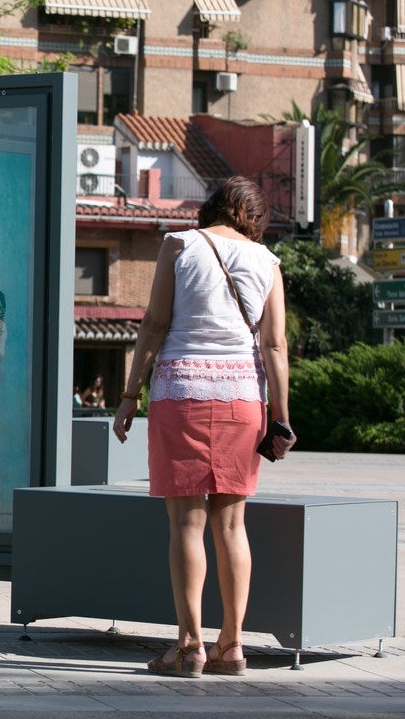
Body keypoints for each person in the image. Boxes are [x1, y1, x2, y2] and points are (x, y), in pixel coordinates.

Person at [112, 176, 294, 677]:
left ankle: (189, 646)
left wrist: (130, 395)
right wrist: (281, 416)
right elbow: (274, 346)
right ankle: (231, 646)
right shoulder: (268, 262)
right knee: (232, 525)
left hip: (182, 393)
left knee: (186, 524)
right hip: (242, 398)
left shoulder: (180, 245)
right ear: (253, 217)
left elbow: (154, 323)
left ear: (211, 206)